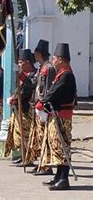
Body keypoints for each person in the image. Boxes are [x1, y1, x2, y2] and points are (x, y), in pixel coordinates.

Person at [37, 43, 77, 191]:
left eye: (54, 58)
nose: (52, 60)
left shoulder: (66, 75)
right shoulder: (61, 74)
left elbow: (54, 93)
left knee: (61, 145)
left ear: (60, 59)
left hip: (62, 115)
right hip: (56, 114)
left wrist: (42, 103)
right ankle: (58, 176)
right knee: (56, 145)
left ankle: (64, 178)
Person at [26, 39, 56, 175]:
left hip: (43, 108)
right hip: (37, 107)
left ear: (39, 54)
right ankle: (41, 163)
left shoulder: (49, 68)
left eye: (36, 54)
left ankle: (46, 165)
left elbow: (48, 89)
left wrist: (43, 104)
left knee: (45, 137)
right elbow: (32, 83)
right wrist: (21, 74)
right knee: (38, 137)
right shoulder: (41, 68)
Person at [4, 49, 36, 163]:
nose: (19, 64)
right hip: (18, 108)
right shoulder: (23, 75)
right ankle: (23, 155)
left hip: (26, 108)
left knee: (26, 134)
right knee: (19, 135)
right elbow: (18, 89)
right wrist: (13, 97)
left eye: (21, 62)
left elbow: (28, 89)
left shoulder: (32, 74)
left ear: (28, 62)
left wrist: (16, 98)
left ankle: (28, 157)